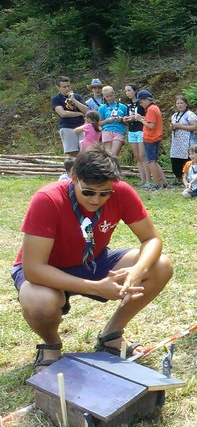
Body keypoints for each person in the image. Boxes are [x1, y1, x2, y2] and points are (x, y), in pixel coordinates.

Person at [10, 146, 172, 372]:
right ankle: (51, 344)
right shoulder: (47, 199)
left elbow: (151, 239)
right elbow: (34, 269)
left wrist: (138, 271)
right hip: (47, 271)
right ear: (73, 178)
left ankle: (111, 335)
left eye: (105, 193)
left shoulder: (121, 192)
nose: (96, 200)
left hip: (93, 262)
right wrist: (97, 288)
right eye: (88, 192)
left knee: (161, 265)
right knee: (40, 303)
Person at [135, 90, 169, 190]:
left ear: (146, 100)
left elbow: (151, 125)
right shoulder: (155, 108)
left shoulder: (150, 109)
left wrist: (141, 120)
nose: (141, 104)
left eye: (141, 102)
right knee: (154, 161)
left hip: (151, 138)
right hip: (156, 137)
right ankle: (164, 182)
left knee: (151, 161)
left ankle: (157, 183)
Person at [52, 76, 88, 157]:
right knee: (72, 153)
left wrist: (74, 100)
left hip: (82, 127)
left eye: (68, 86)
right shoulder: (56, 99)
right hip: (67, 127)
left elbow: (86, 110)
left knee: (85, 151)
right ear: (58, 87)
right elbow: (62, 113)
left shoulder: (77, 97)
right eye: (64, 87)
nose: (67, 89)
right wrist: (79, 113)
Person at [169, 95, 197, 185]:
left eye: (181, 103)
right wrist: (172, 127)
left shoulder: (190, 115)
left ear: (186, 104)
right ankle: (178, 178)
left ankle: (188, 178)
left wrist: (180, 126)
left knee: (187, 160)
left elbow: (194, 127)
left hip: (188, 142)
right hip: (177, 142)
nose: (179, 105)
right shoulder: (175, 115)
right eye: (177, 103)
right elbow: (171, 127)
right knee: (175, 161)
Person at [123, 84, 149, 186]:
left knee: (143, 156)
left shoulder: (141, 104)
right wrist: (126, 119)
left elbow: (146, 117)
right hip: (132, 131)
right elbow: (128, 118)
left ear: (135, 91)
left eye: (129, 90)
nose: (128, 93)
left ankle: (148, 180)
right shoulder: (128, 106)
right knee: (137, 156)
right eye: (126, 91)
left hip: (141, 130)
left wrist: (137, 117)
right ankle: (142, 179)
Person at [98, 86, 128, 157]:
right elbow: (99, 123)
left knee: (114, 154)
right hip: (107, 130)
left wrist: (121, 120)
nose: (109, 98)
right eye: (107, 97)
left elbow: (127, 123)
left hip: (119, 131)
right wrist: (108, 120)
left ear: (114, 94)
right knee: (108, 155)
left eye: (111, 96)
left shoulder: (123, 107)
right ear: (104, 97)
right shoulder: (102, 108)